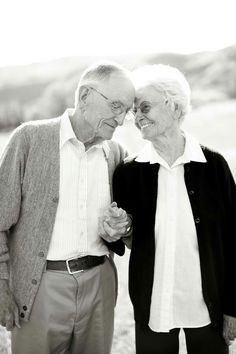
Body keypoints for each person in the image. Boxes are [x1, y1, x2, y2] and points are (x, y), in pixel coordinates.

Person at [0, 61, 135, 354]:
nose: (122, 118)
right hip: (41, 289)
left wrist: (123, 226)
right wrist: (2, 286)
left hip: (100, 284)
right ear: (85, 96)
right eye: (116, 106)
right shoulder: (29, 139)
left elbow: (130, 228)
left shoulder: (116, 153)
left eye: (127, 110)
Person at [107, 64, 236, 353]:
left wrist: (233, 307)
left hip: (208, 307)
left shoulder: (214, 167)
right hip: (154, 307)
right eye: (134, 111)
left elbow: (233, 239)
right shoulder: (128, 173)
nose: (138, 117)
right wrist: (117, 226)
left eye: (145, 107)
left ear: (174, 106)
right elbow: (122, 238)